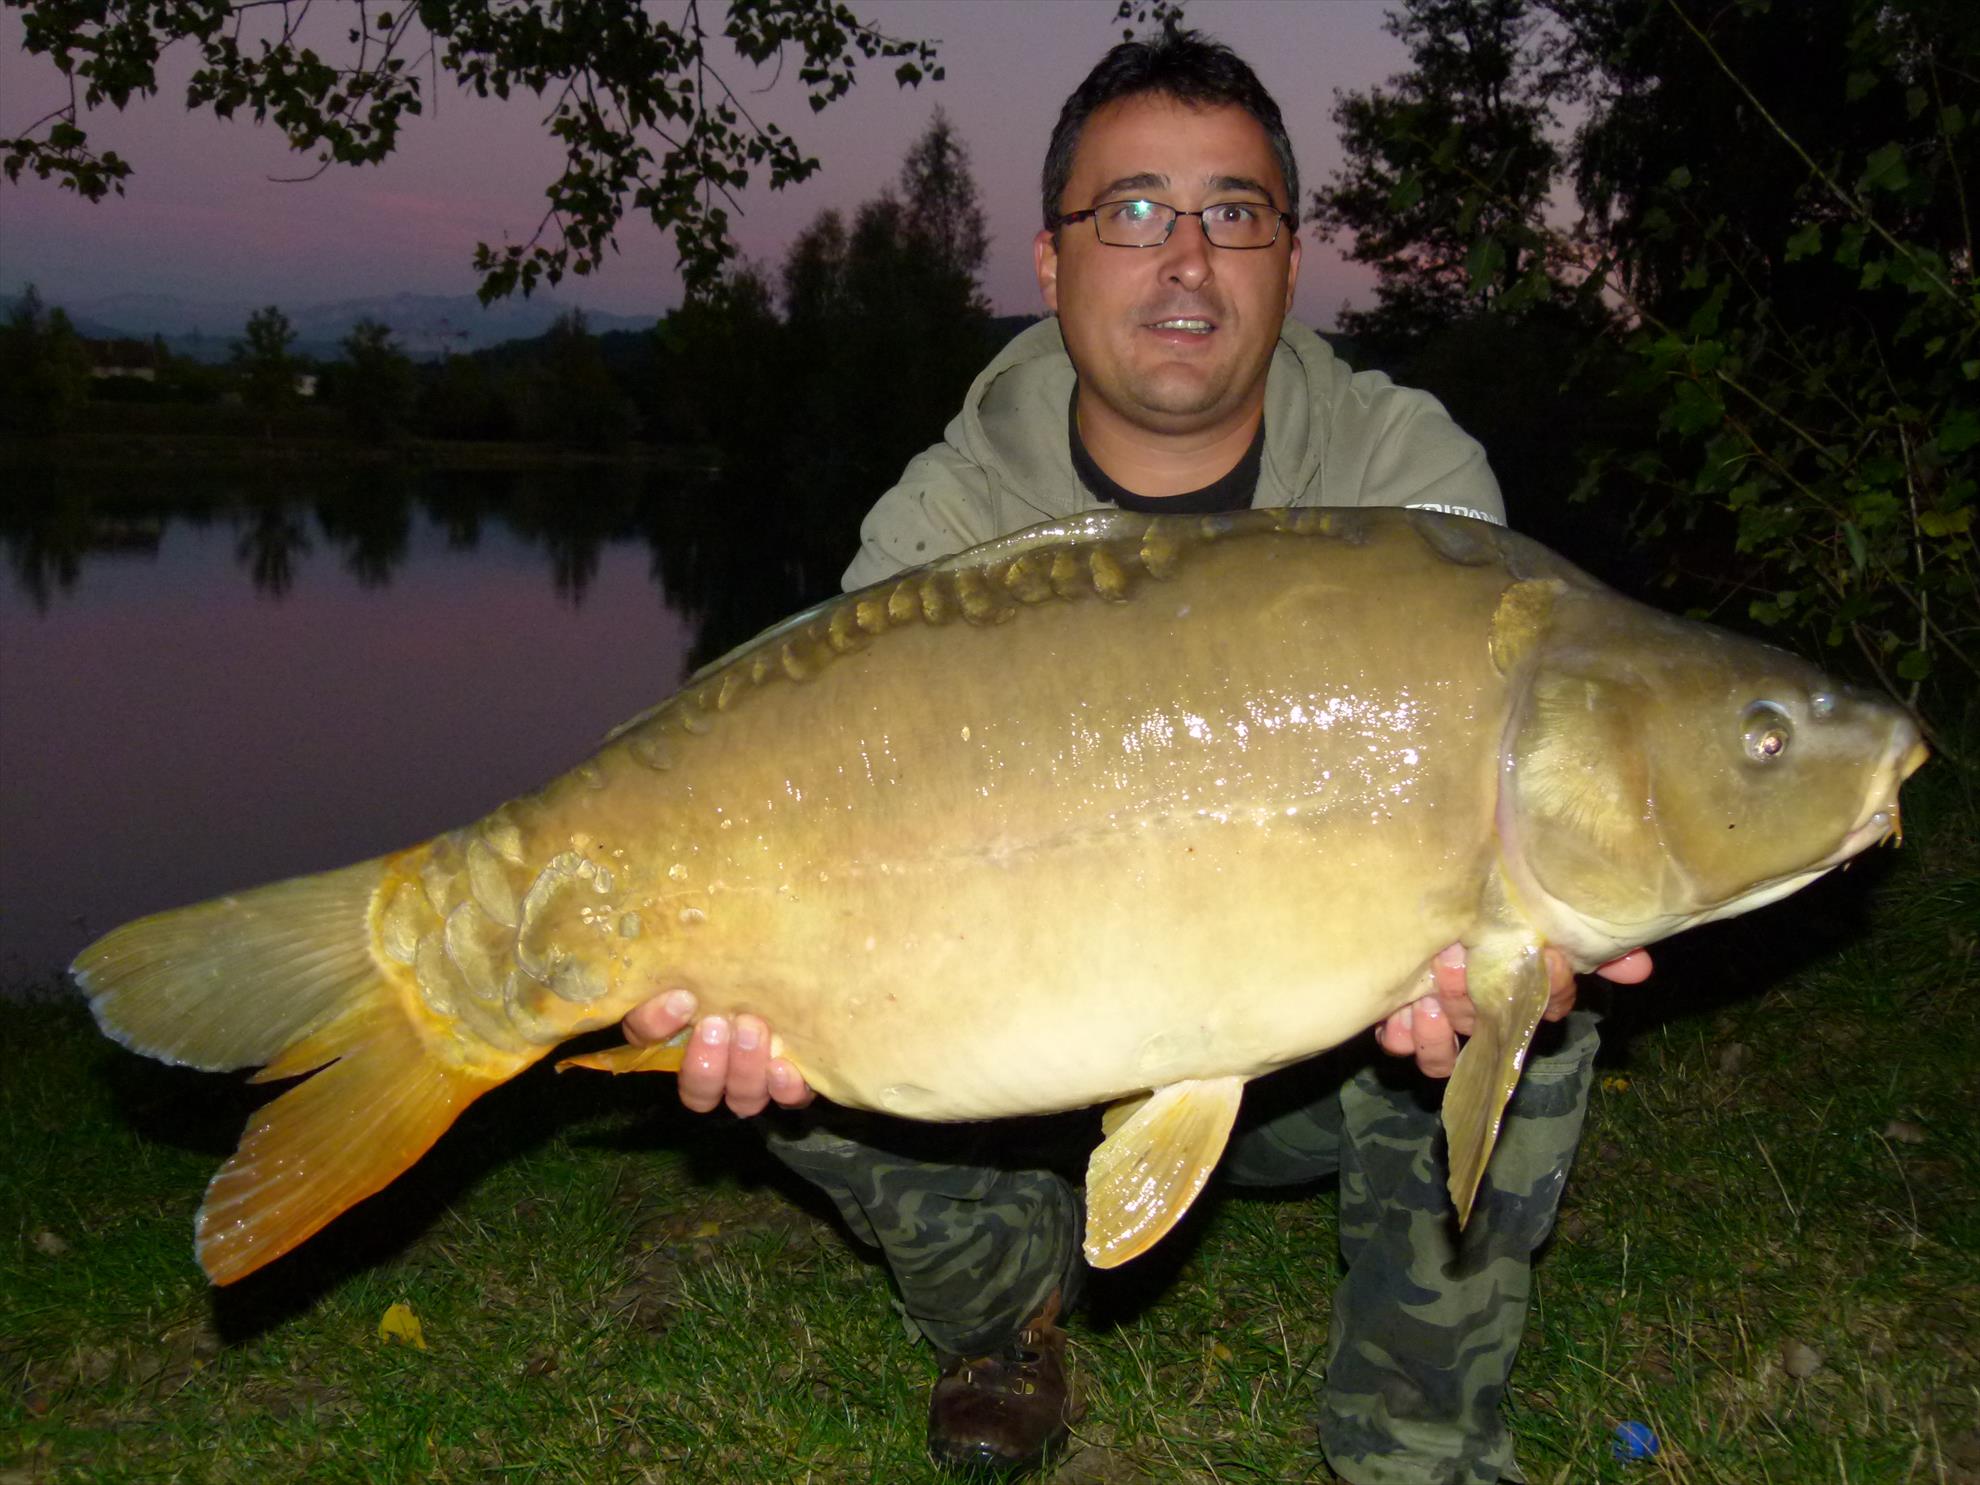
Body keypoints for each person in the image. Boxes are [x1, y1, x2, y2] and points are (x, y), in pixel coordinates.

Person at [621, 30, 1651, 1484]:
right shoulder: (941, 525)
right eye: (1134, 212)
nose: (1186, 257)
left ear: (1291, 260)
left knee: (1531, 981)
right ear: (1052, 262)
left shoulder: (1412, 499)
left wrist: (1480, 961)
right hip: (999, 1058)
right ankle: (1009, 1300)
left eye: (1234, 212)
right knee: (776, 1005)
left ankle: (1415, 1436)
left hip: (1317, 1060)